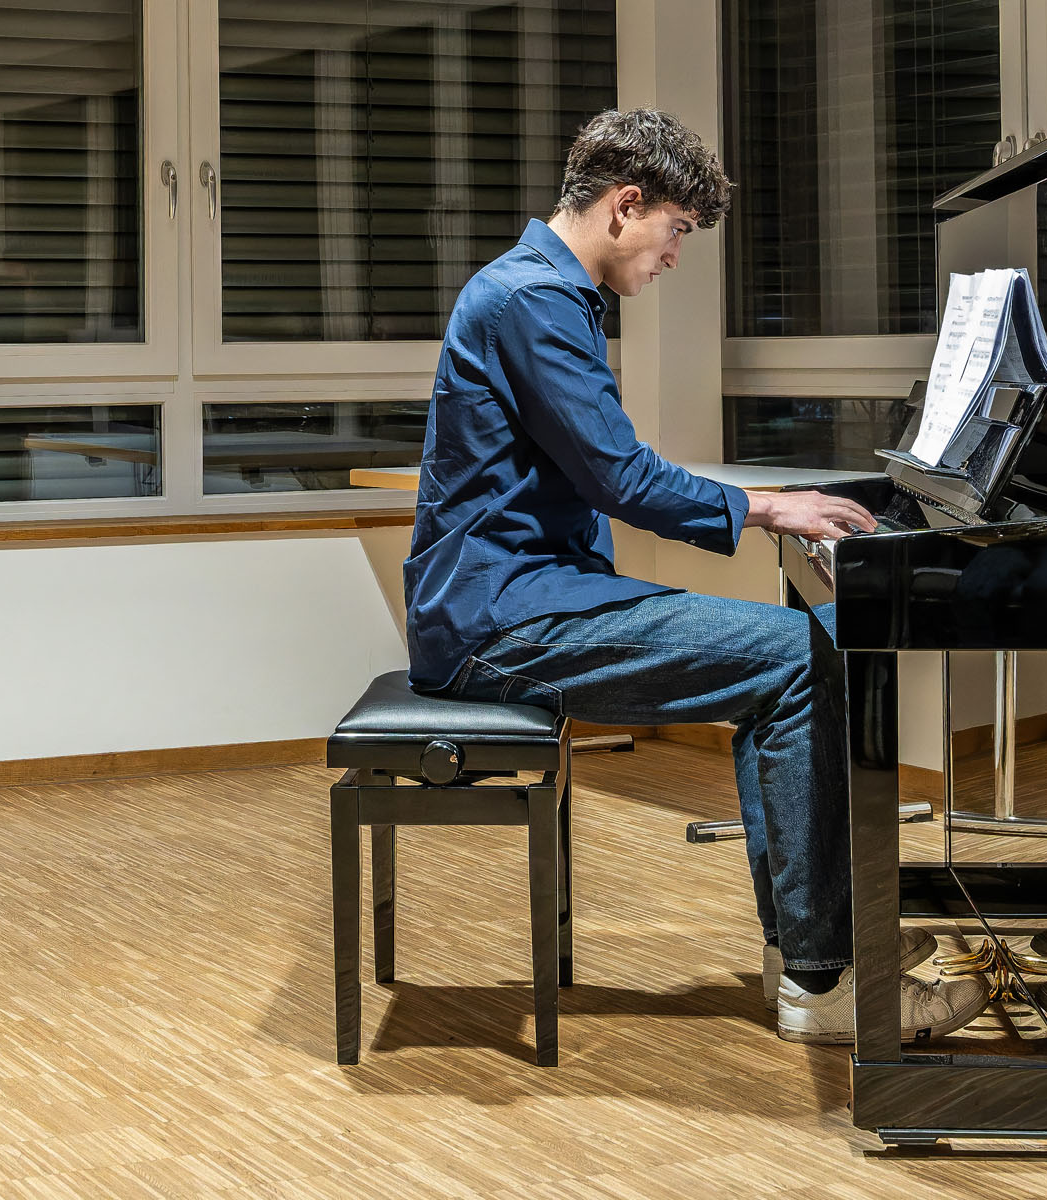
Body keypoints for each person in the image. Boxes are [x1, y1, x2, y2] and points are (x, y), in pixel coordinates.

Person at [403, 108, 989, 1044]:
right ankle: (825, 983)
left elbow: (608, 470)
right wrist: (774, 508)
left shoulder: (539, 292)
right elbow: (621, 477)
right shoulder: (532, 302)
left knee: (803, 649)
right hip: (500, 621)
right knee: (798, 659)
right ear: (626, 204)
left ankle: (808, 942)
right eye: (676, 230)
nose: (676, 256)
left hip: (522, 599)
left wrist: (768, 504)